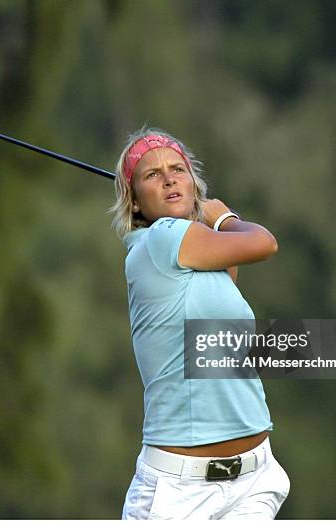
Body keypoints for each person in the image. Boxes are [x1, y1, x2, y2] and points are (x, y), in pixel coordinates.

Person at [111, 129, 290, 519]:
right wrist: (225, 218)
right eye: (152, 175)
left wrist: (207, 222)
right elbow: (264, 243)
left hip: (253, 481)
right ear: (136, 204)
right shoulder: (159, 239)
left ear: (193, 184)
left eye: (178, 169)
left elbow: (227, 278)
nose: (169, 178)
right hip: (178, 494)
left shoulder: (193, 249)